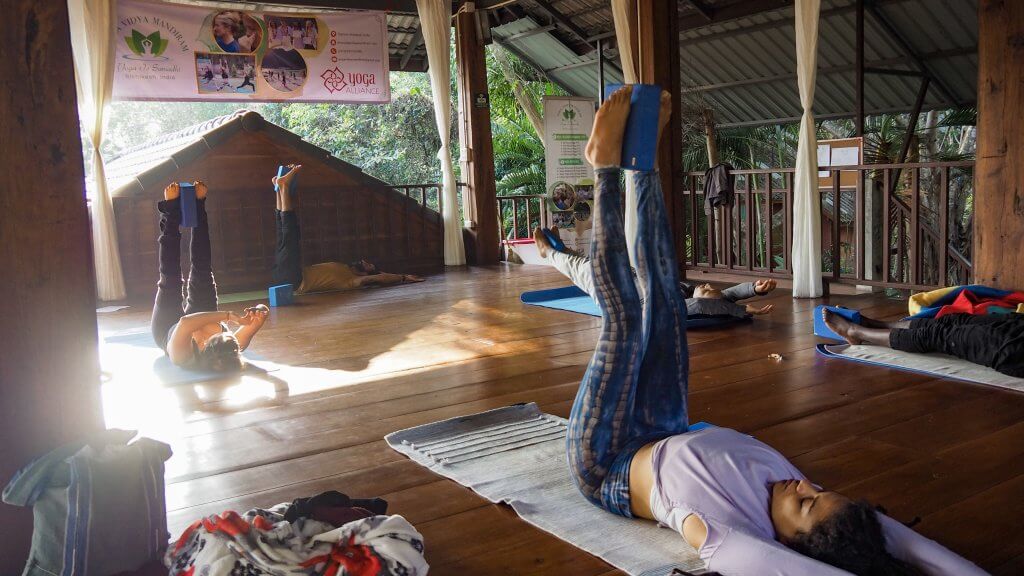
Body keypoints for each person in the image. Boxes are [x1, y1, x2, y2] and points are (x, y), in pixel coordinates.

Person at [567, 87, 987, 576]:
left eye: (806, 505)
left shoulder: (731, 535)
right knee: (663, 304)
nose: (805, 487)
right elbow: (914, 546)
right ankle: (641, 165)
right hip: (666, 425)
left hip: (608, 463)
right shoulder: (818, 509)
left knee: (623, 319)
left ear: (790, 544)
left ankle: (602, 169)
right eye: (820, 491)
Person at [151, 181, 269, 371]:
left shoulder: (182, 356)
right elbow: (261, 313)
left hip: (168, 327)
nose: (229, 332)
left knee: (170, 278)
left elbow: (185, 323)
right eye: (229, 336)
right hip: (202, 313)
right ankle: (199, 204)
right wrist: (259, 314)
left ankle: (170, 211)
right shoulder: (233, 347)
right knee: (203, 269)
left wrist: (230, 316)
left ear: (205, 346)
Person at [533, 226, 775, 318]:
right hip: (630, 277)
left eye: (709, 290)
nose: (710, 286)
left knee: (583, 269)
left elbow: (705, 306)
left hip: (615, 294)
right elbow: (723, 297)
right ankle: (563, 250)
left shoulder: (676, 306)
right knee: (591, 261)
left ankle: (548, 253)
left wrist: (741, 310)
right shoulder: (688, 292)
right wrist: (753, 289)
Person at [271, 165, 425, 294]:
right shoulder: (344, 267)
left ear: (367, 273)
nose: (364, 261)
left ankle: (283, 186)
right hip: (286, 274)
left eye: (368, 265)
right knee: (284, 233)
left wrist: (402, 277)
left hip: (293, 280)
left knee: (289, 233)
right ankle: (279, 188)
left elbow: (378, 278)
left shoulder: (351, 281)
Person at [823, 309, 1024, 377]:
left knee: (941, 335)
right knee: (954, 320)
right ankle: (878, 324)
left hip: (1016, 351)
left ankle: (856, 331)